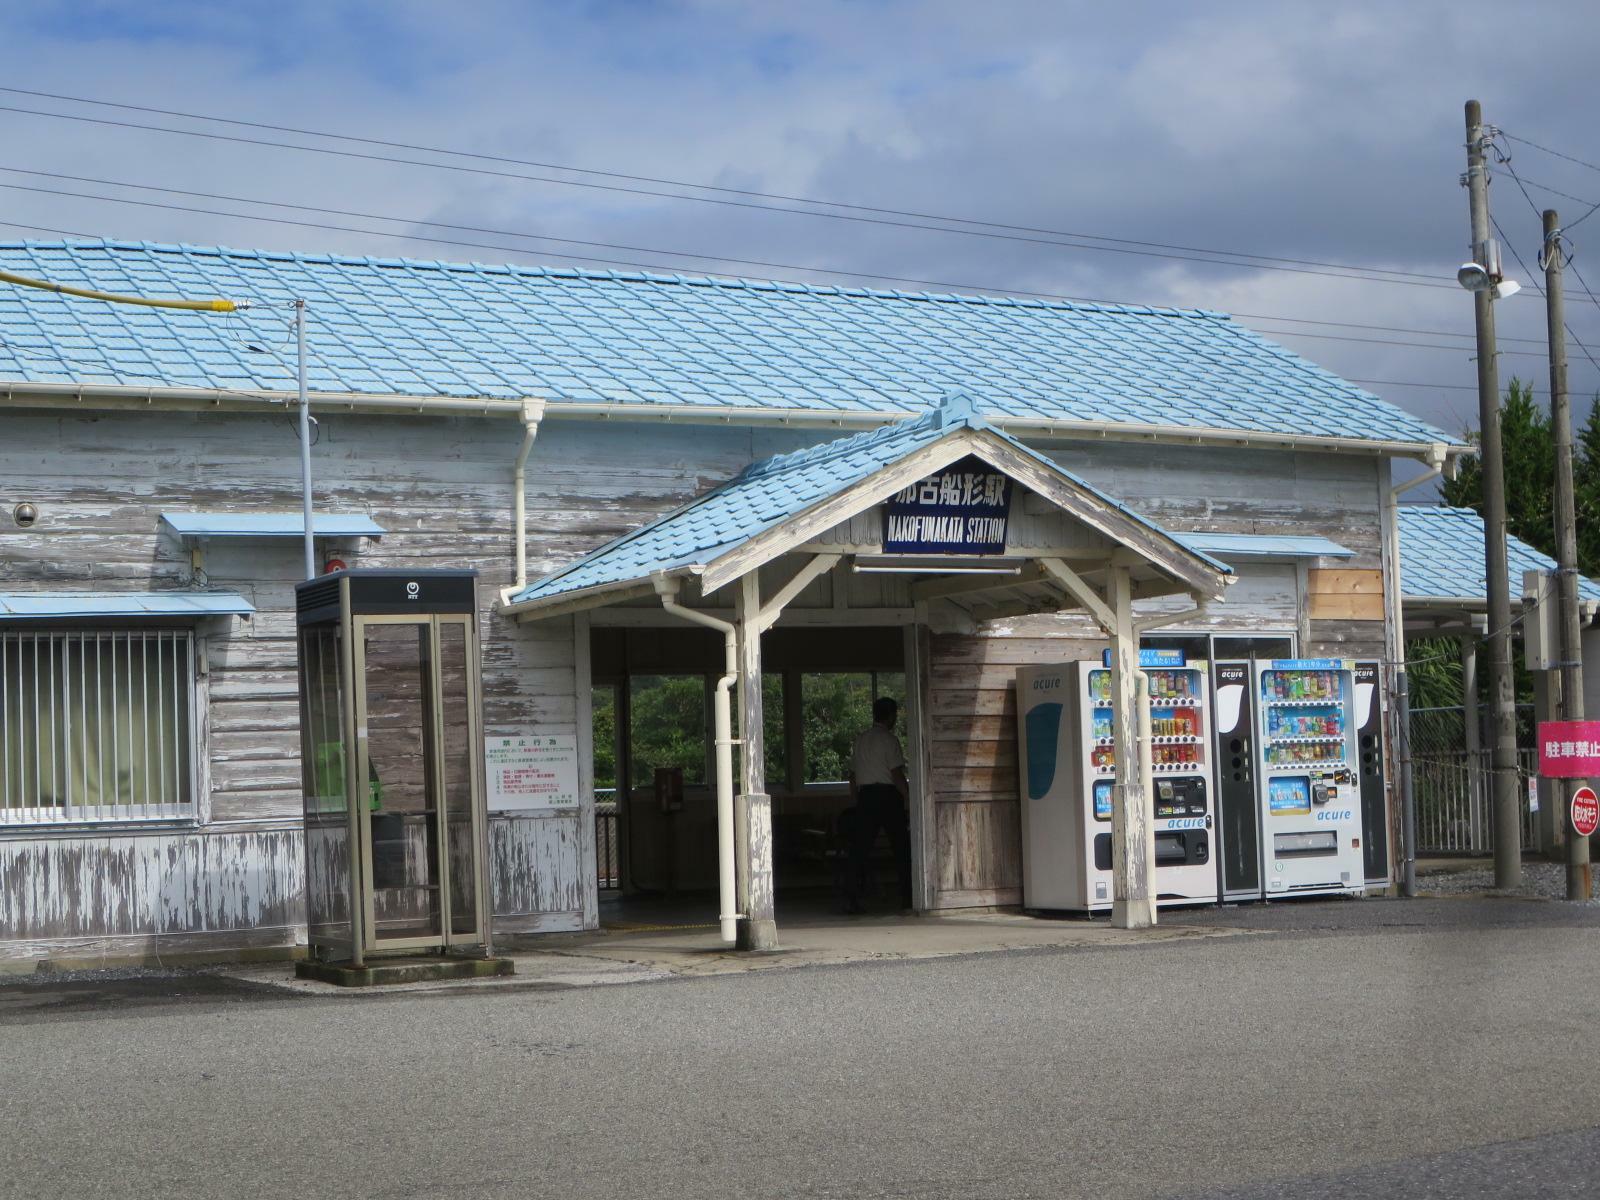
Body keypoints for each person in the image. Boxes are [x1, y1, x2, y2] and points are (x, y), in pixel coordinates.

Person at [844, 696, 912, 913]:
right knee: (901, 847)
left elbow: (852, 775)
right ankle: (908, 896)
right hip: (887, 795)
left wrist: (855, 799)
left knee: (860, 848)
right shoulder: (889, 740)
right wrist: (908, 797)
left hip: (866, 796)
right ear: (891, 716)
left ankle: (852, 897)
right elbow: (896, 773)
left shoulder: (860, 740)